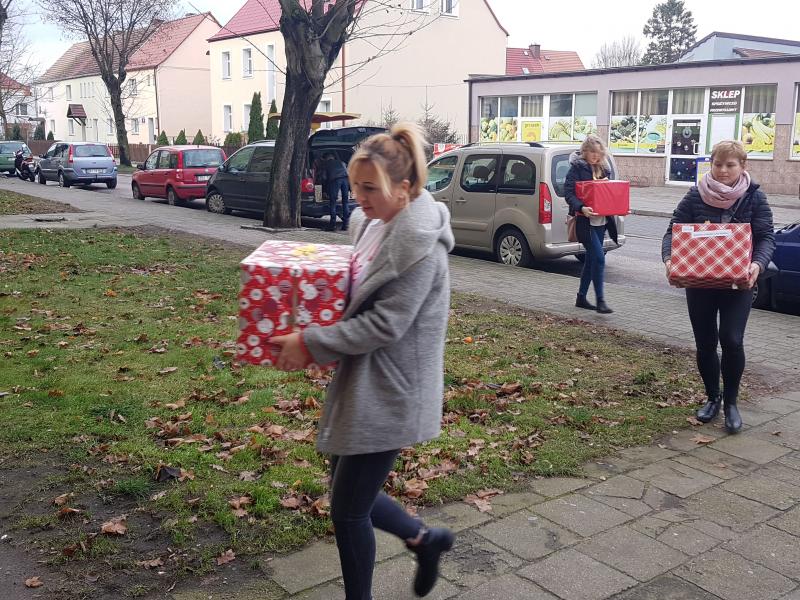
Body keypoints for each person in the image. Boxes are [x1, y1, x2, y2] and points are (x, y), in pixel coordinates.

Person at [271, 123, 456, 599]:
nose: (358, 199)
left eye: (370, 188)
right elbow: (352, 290)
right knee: (347, 489)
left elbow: (384, 325)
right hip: (365, 380)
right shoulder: (372, 224)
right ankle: (424, 539)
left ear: (407, 187)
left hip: (394, 389)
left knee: (347, 508)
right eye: (355, 187)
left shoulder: (420, 245)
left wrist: (311, 343)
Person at [662, 140, 775, 434]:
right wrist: (669, 260)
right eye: (718, 164)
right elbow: (672, 231)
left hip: (738, 282)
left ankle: (732, 402)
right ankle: (713, 397)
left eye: (730, 165)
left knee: (732, 339)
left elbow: (766, 238)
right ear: (710, 165)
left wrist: (757, 264)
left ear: (742, 166)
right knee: (705, 342)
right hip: (699, 282)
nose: (723, 170)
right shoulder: (695, 195)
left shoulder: (754, 197)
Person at [564, 134, 619, 314]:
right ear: (585, 152)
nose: (595, 156)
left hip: (601, 221)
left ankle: (581, 297)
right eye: (592, 152)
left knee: (590, 260)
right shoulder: (577, 168)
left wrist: (619, 206)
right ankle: (600, 300)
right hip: (584, 221)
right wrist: (581, 207)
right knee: (599, 258)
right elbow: (569, 193)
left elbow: (610, 194)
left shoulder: (604, 168)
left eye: (598, 152)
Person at [323, 152, 351, 231]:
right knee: (345, 202)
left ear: (326, 158)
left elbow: (324, 177)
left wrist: (324, 188)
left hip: (335, 181)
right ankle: (346, 225)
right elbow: (347, 172)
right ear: (333, 157)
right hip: (345, 180)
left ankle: (333, 225)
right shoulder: (341, 162)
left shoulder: (326, 165)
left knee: (333, 202)